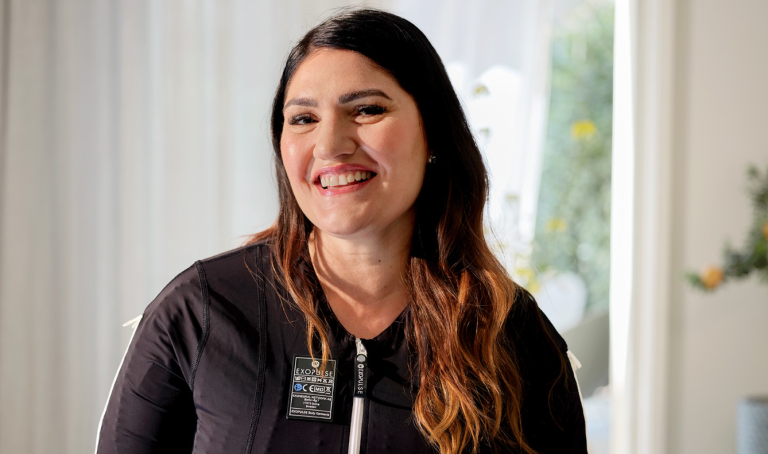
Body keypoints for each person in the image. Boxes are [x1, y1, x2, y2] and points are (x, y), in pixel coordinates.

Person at [96, 8, 587, 454]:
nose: (330, 144)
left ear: (432, 131)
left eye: (367, 110)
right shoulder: (201, 312)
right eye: (304, 118)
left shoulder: (514, 336)